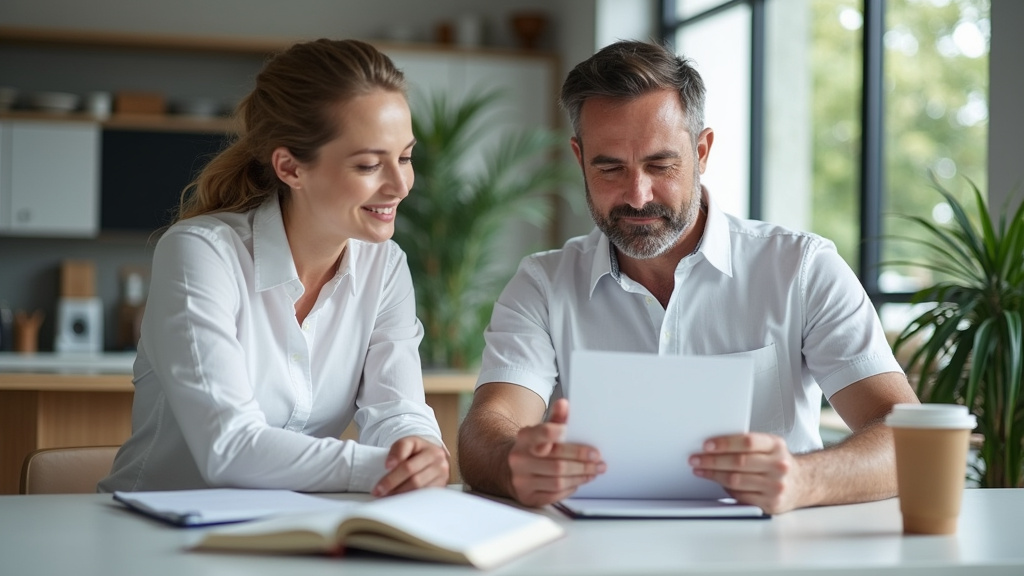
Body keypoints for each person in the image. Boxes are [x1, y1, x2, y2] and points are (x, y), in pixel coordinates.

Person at [457, 40, 919, 514]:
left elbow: (907, 434)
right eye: (610, 168)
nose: (638, 196)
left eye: (661, 164)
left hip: (772, 552)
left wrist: (805, 479)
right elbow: (488, 426)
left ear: (702, 150)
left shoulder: (802, 268)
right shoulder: (543, 283)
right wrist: (516, 462)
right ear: (579, 159)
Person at [99, 39, 449, 495]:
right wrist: (383, 470)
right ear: (290, 168)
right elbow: (229, 446)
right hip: (155, 535)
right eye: (368, 165)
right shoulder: (200, 253)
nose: (400, 185)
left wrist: (419, 452)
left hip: (292, 530)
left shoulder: (385, 267)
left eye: (404, 157)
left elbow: (397, 409)